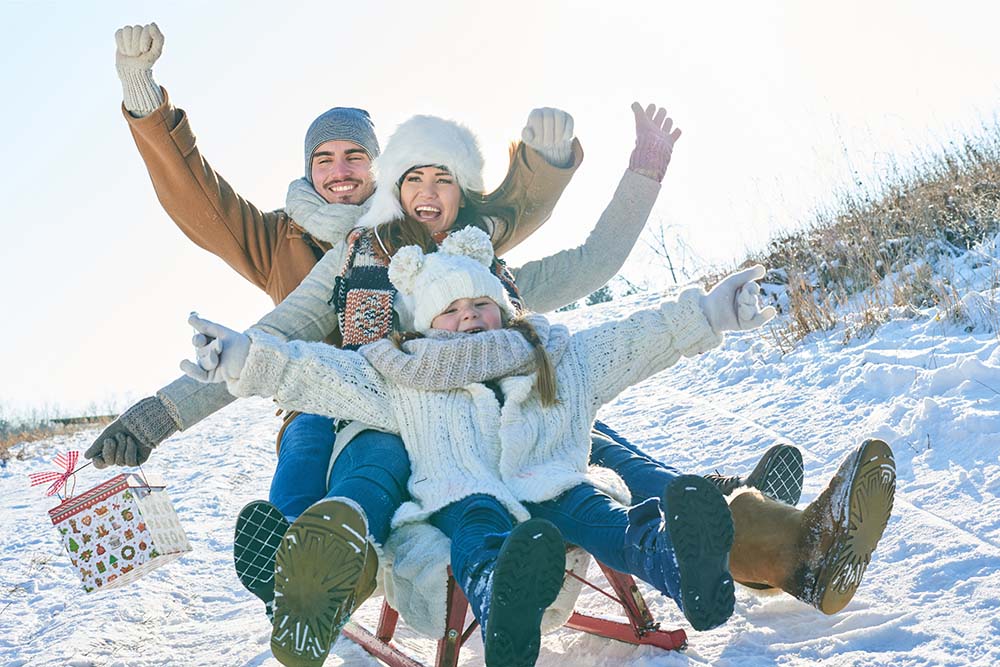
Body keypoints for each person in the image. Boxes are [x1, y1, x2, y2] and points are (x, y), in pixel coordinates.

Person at [184, 227, 895, 667]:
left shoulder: (550, 352)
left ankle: (688, 565)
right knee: (477, 536)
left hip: (555, 477)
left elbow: (629, 341)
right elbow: (323, 375)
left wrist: (712, 312)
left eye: (480, 304)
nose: (468, 319)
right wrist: (246, 358)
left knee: (616, 515)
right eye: (451, 312)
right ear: (426, 323)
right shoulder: (402, 370)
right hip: (463, 492)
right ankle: (502, 604)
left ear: (504, 303)